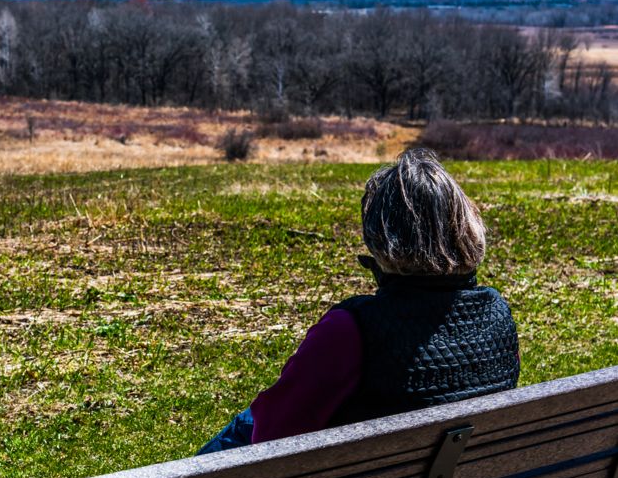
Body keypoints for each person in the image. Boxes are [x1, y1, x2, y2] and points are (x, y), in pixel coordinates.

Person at [198, 148, 519, 454]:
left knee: (246, 425)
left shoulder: (351, 330)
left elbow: (271, 439)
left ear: (382, 238)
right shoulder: (496, 314)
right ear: (466, 226)